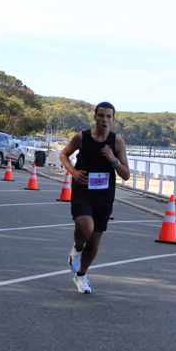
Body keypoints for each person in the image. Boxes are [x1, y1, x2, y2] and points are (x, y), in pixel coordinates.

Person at [60, 102, 131, 294]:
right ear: (95, 117)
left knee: (95, 239)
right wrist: (73, 172)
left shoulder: (117, 142)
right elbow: (64, 154)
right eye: (101, 115)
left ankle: (81, 275)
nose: (105, 120)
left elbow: (126, 174)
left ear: (113, 119)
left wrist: (113, 160)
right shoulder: (81, 137)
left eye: (109, 116)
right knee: (85, 226)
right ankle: (77, 248)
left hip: (104, 195)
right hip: (83, 189)